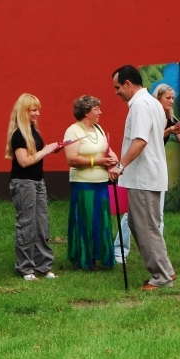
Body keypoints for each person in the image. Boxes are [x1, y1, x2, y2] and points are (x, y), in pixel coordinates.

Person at [109, 65, 175, 290]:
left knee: (145, 226)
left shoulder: (140, 105)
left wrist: (120, 165)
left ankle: (161, 276)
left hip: (144, 176)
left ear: (128, 84)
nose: (117, 92)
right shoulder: (153, 103)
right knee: (142, 225)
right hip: (149, 174)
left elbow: (140, 141)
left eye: (118, 87)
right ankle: (165, 270)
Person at [113, 82, 180, 263]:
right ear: (158, 97)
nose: (171, 101)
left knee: (156, 216)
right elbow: (145, 139)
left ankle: (159, 257)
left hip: (155, 169)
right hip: (143, 170)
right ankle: (121, 250)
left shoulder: (168, 115)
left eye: (173, 98)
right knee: (134, 215)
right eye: (168, 97)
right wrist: (121, 166)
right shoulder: (147, 108)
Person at [5, 93, 60, 280]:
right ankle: (25, 268)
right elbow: (24, 162)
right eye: (33, 110)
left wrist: (51, 149)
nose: (38, 113)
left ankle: (43, 266)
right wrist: (46, 151)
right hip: (23, 183)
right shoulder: (18, 135)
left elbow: (35, 155)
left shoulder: (33, 131)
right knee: (27, 225)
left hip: (38, 181)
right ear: (24, 111)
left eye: (38, 110)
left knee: (42, 224)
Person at [63, 95, 118, 270]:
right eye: (96, 109)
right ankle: (84, 259)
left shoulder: (98, 128)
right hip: (83, 183)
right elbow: (71, 159)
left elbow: (107, 149)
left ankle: (101, 256)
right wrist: (97, 161)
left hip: (101, 182)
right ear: (86, 112)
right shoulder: (73, 131)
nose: (100, 112)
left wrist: (113, 162)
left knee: (101, 221)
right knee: (85, 220)